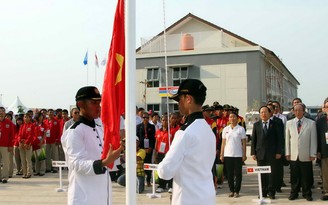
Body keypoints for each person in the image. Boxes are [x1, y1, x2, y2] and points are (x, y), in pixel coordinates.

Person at [61, 86, 124, 205]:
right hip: (83, 196)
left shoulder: (100, 129)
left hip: (102, 194)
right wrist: (104, 162)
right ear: (81, 104)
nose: (98, 106)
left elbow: (107, 157)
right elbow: (76, 164)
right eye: (93, 102)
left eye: (99, 102)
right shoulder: (74, 132)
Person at [157, 79, 216, 205]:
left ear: (188, 99)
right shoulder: (209, 131)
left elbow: (165, 171)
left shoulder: (185, 133)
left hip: (188, 199)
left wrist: (159, 167)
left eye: (180, 100)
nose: (178, 104)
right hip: (207, 198)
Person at [285, 103, 317, 201]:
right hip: (294, 154)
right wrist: (287, 152)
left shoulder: (311, 123)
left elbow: (313, 140)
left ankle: (307, 193)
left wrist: (313, 153)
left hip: (306, 154)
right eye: (295, 110)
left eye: (300, 110)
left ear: (304, 111)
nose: (297, 112)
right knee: (294, 175)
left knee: (306, 175)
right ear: (293, 111)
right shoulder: (289, 123)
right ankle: (294, 193)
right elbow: (287, 139)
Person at [251, 106, 283, 199]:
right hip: (260, 153)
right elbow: (254, 140)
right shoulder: (256, 125)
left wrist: (278, 152)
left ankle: (271, 192)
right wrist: (253, 152)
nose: (263, 114)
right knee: (261, 173)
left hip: (272, 153)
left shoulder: (275, 124)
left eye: (265, 112)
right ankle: (262, 191)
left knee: (271, 173)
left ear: (269, 113)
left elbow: (279, 139)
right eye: (261, 112)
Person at [220, 112, 247, 198]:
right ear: (229, 119)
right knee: (229, 174)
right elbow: (223, 143)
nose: (232, 118)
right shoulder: (225, 129)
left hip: (238, 155)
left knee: (238, 174)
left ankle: (237, 191)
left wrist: (244, 154)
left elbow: (243, 143)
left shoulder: (241, 129)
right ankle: (232, 190)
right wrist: (221, 154)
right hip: (228, 155)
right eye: (230, 117)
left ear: (237, 118)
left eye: (234, 117)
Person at [136, 111, 155, 187]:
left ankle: (148, 180)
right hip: (141, 148)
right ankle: (141, 180)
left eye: (147, 117)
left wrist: (151, 147)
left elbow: (153, 138)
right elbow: (137, 138)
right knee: (141, 164)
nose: (145, 119)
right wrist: (138, 147)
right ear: (142, 118)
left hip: (149, 148)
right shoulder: (138, 126)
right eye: (144, 117)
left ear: (149, 118)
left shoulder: (152, 126)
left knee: (148, 164)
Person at [317, 97, 328, 200]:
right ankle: (327, 191)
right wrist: (318, 151)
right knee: (325, 173)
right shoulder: (320, 121)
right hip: (325, 150)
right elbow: (317, 137)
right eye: (327, 107)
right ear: (324, 109)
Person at [0, 107, 15, 183]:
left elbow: (12, 135)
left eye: (2, 111)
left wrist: (10, 145)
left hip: (5, 145)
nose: (1, 113)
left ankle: (5, 177)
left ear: (5, 113)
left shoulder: (9, 122)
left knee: (6, 162)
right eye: (0, 111)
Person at [18, 113, 35, 179]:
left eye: (27, 117)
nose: (26, 118)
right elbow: (19, 135)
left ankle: (29, 173)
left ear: (30, 118)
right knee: (23, 159)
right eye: (25, 117)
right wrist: (20, 141)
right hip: (22, 144)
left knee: (28, 159)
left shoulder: (32, 125)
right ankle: (24, 173)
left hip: (28, 144)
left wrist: (27, 143)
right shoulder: (22, 126)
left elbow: (31, 135)